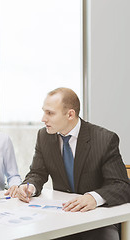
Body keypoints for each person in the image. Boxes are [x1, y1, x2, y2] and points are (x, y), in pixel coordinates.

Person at [17, 87, 130, 240]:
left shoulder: (104, 139)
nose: (43, 119)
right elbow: (37, 173)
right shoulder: (44, 136)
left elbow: (122, 185)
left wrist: (93, 198)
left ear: (70, 114)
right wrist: (29, 186)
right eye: (44, 111)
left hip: (96, 221)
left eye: (50, 113)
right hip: (61, 218)